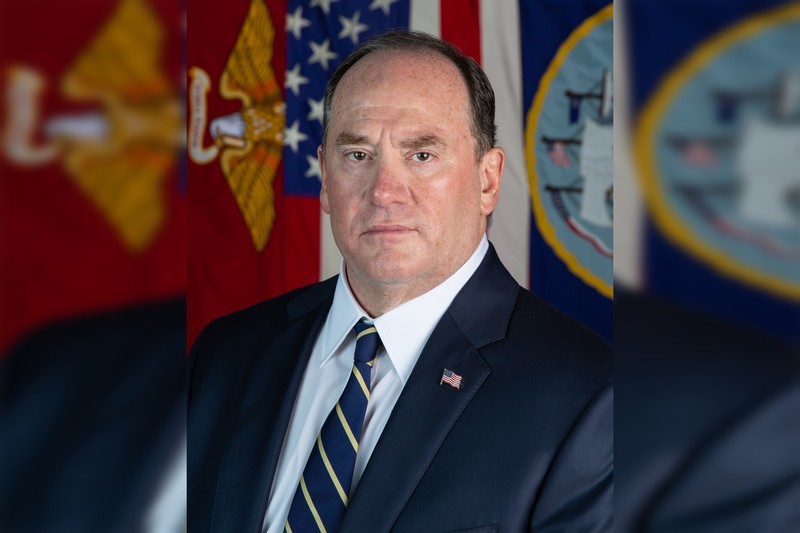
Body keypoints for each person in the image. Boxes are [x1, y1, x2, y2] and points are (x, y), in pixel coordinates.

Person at [188, 30, 612, 533]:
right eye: (358, 156)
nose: (385, 192)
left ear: (487, 181)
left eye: (422, 155)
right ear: (325, 178)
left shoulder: (591, 398)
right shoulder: (227, 352)